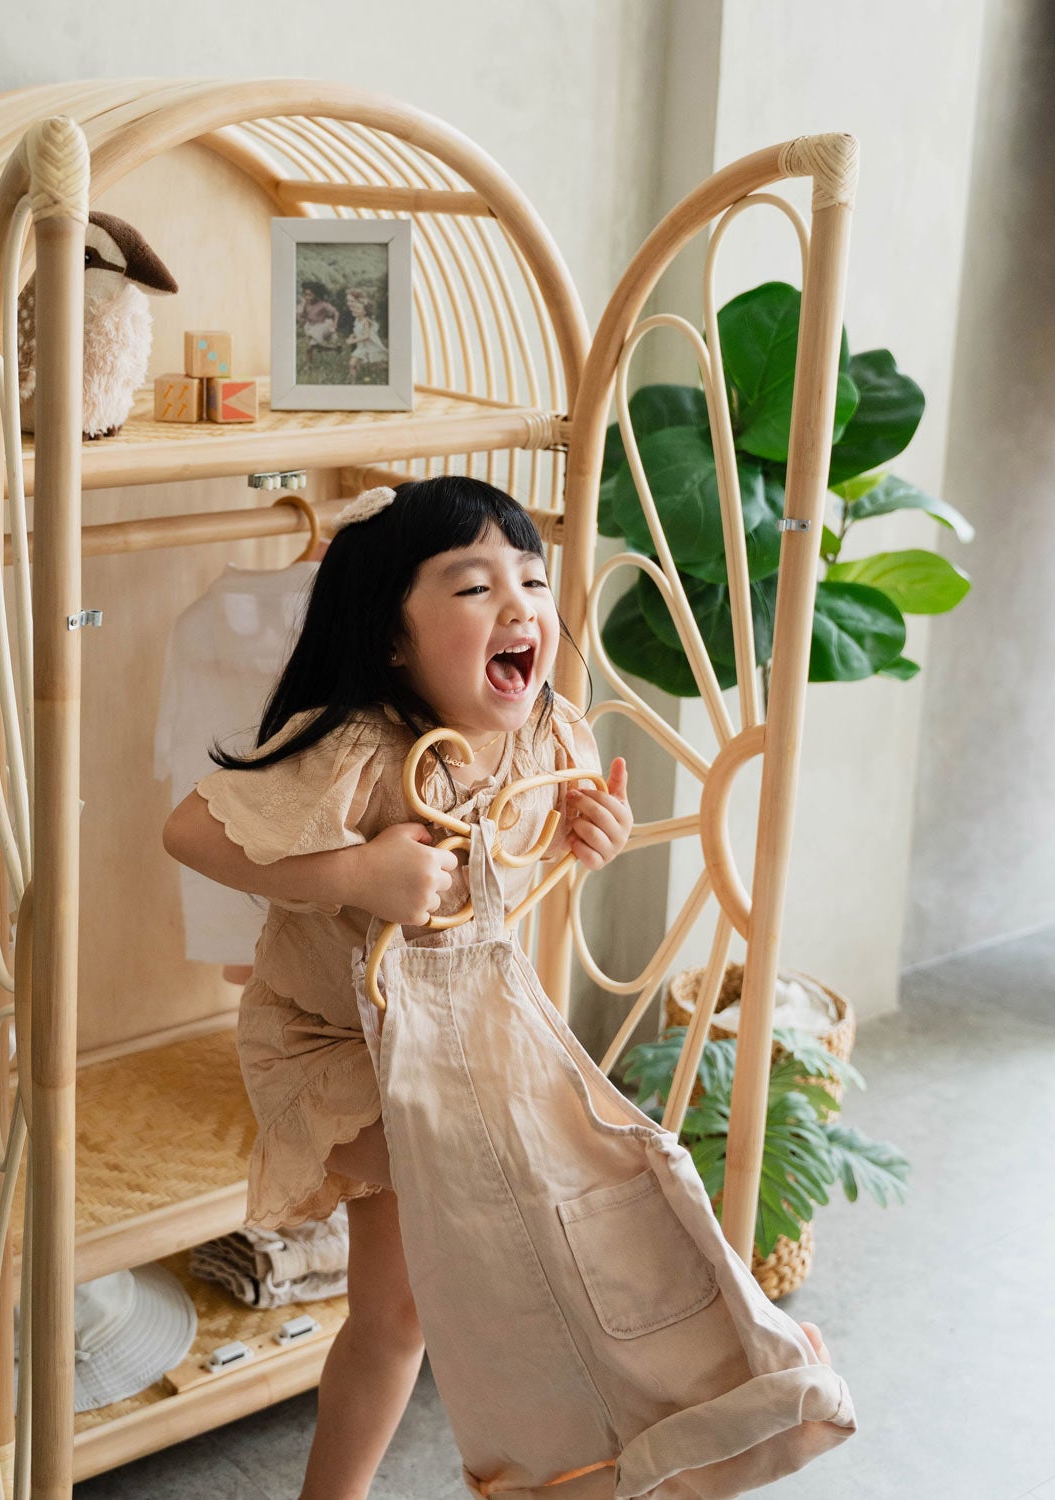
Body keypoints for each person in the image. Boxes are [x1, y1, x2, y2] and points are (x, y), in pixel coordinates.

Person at [161, 476, 825, 1499]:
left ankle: (701, 1379)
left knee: (408, 1308)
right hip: (339, 1049)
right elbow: (191, 831)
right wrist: (352, 873)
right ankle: (665, 1401)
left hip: (464, 1039)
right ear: (393, 637)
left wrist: (587, 837)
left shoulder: (549, 732)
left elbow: (547, 831)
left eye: (529, 577)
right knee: (511, 1232)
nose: (520, 604)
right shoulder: (362, 750)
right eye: (474, 588)